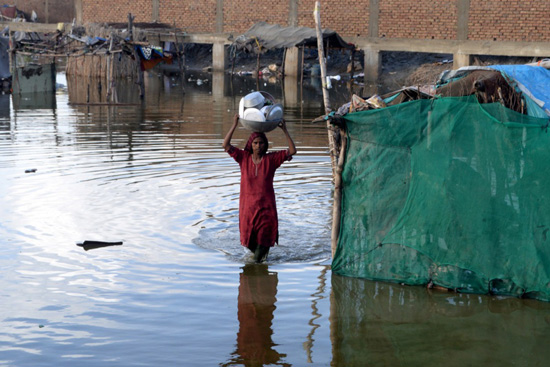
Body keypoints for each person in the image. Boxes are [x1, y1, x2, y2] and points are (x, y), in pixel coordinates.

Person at [223, 113, 297, 263]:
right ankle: (259, 274)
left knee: (256, 259)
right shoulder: (243, 158)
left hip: (266, 210)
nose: (258, 146)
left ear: (266, 145)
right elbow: (226, 145)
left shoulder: (272, 160)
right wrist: (234, 124)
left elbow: (292, 151)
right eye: (255, 143)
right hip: (248, 210)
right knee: (251, 245)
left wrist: (285, 130)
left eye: (261, 143)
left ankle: (258, 268)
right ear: (250, 144)